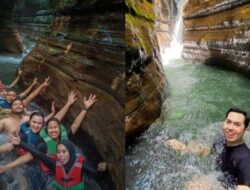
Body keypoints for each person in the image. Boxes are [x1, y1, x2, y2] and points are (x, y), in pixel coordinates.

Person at [165, 107, 250, 190]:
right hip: (219, 179)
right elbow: (208, 151)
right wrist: (184, 148)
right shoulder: (222, 141)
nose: (230, 127)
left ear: (244, 131)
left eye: (237, 124)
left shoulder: (245, 159)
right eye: (228, 122)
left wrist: (213, 187)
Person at [0, 91, 78, 171]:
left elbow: (57, 118)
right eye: (34, 122)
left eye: (39, 123)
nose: (36, 125)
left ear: (43, 124)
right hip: (19, 152)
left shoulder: (43, 135)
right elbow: (10, 146)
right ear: (29, 122)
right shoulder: (24, 131)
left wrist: (68, 104)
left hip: (33, 158)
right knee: (12, 144)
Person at [8, 139, 107, 190]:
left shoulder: (81, 165)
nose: (61, 155)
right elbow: (38, 154)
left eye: (64, 152)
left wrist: (103, 169)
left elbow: (97, 175)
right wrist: (21, 143)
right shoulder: (54, 164)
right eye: (58, 152)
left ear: (71, 152)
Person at [38, 93, 97, 173]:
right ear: (47, 130)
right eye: (50, 128)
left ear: (60, 129)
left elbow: (75, 125)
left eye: (55, 128)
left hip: (64, 167)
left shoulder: (64, 137)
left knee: (92, 171)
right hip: (47, 171)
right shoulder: (43, 143)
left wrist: (85, 108)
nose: (53, 130)